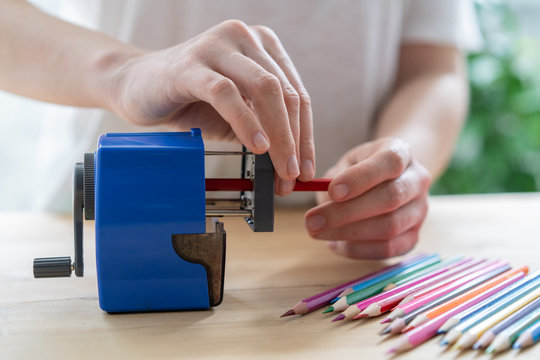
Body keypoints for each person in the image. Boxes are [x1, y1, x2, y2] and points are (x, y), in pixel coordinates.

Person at [0, 0, 480, 259]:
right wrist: (122, 72)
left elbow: (432, 68)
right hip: (104, 220)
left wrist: (399, 163)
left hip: (325, 256)